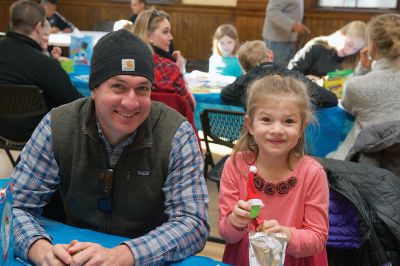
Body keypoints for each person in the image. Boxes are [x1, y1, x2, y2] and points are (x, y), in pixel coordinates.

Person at [10, 29, 209, 265]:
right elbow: (15, 207)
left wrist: (124, 255)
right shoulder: (58, 126)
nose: (131, 102)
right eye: (118, 86)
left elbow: (193, 222)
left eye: (142, 88)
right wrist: (40, 250)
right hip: (74, 254)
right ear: (94, 89)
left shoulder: (176, 134)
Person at [218, 75, 329, 266]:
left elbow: (317, 238)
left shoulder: (313, 173)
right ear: (250, 125)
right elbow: (228, 235)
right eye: (267, 120)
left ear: (302, 128)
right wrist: (235, 221)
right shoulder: (235, 165)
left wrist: (286, 236)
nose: (277, 129)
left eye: (288, 121)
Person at [0, 0, 82, 141]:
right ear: (38, 27)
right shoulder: (43, 64)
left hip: (2, 130)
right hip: (40, 135)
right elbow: (76, 104)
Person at [328, 13, 400, 160]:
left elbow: (347, 107)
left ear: (372, 45)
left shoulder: (358, 86)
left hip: (362, 165)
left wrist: (361, 71)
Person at [221, 40, 338, 108]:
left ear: (244, 68)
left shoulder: (243, 81)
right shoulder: (293, 77)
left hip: (255, 137)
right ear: (270, 54)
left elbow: (225, 94)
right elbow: (331, 99)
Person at [131, 9, 195, 111]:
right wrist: (180, 71)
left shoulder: (128, 64)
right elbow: (190, 105)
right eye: (165, 32)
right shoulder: (169, 68)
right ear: (149, 36)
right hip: (172, 125)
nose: (171, 37)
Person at [288, 20, 366, 78]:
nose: (349, 51)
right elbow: (290, 73)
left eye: (355, 49)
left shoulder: (353, 58)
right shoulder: (316, 47)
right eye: (349, 44)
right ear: (342, 34)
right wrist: (309, 80)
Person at [262, 0, 310, 67]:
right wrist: (293, 25)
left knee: (285, 71)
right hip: (277, 40)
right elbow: (272, 12)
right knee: (275, 72)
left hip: (287, 39)